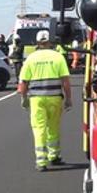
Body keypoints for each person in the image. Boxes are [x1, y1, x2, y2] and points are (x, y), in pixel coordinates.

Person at [17, 30, 72, 171]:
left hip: (36, 99)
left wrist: (23, 98)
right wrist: (68, 99)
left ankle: (41, 161)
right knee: (53, 127)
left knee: (39, 128)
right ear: (50, 41)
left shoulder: (30, 58)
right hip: (55, 97)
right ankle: (54, 156)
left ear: (37, 42)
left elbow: (23, 82)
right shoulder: (58, 56)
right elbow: (65, 80)